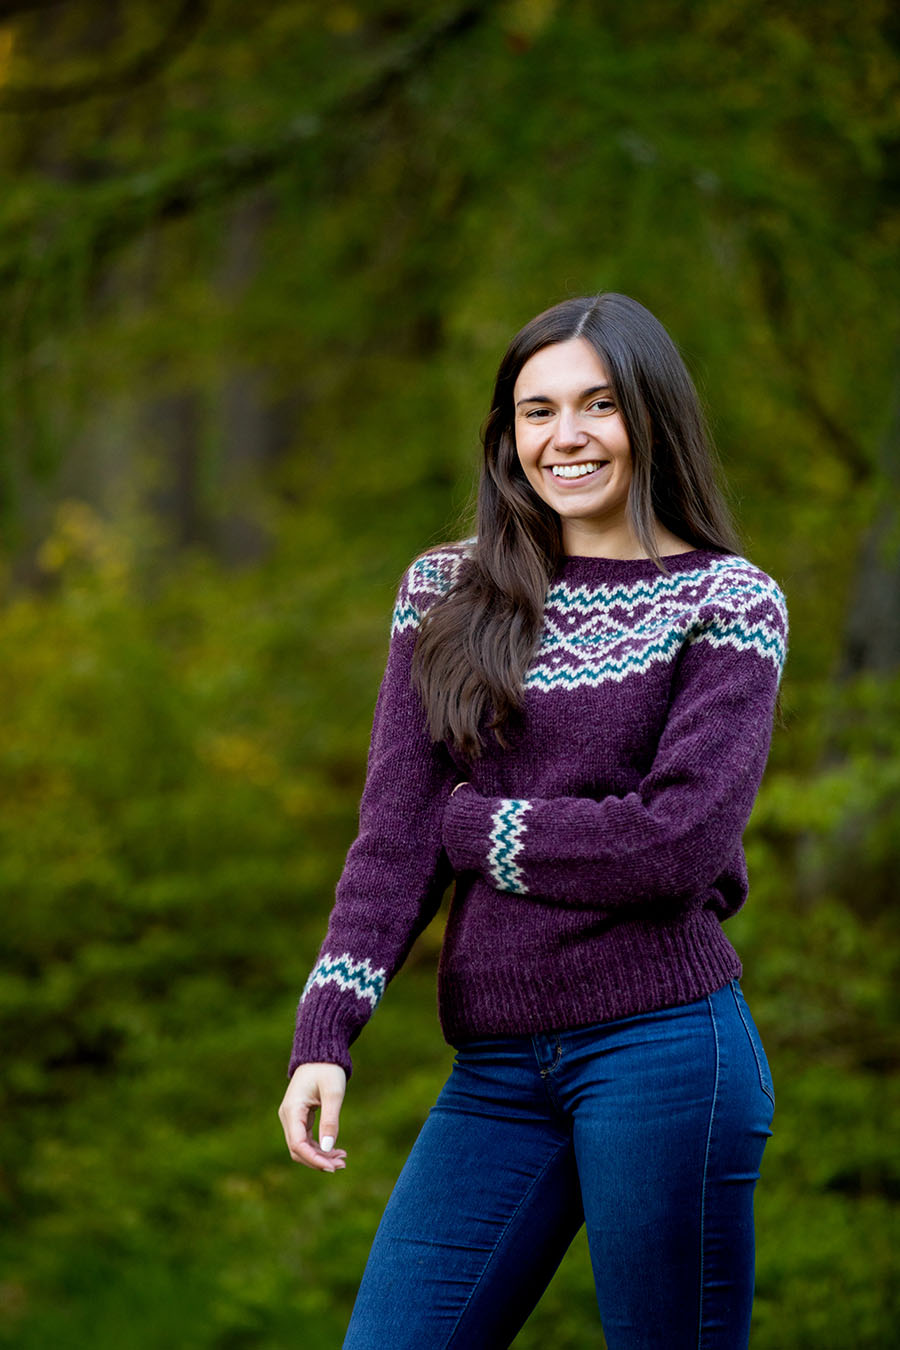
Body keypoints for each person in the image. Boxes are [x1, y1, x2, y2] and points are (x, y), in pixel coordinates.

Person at [278, 292, 788, 1349]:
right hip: (499, 1069)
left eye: (598, 405)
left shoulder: (728, 602)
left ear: (651, 418)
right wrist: (327, 1028)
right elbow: (392, 833)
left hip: (663, 1051)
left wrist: (480, 832)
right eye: (536, 410)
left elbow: (676, 844)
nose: (566, 437)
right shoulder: (446, 592)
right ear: (508, 436)